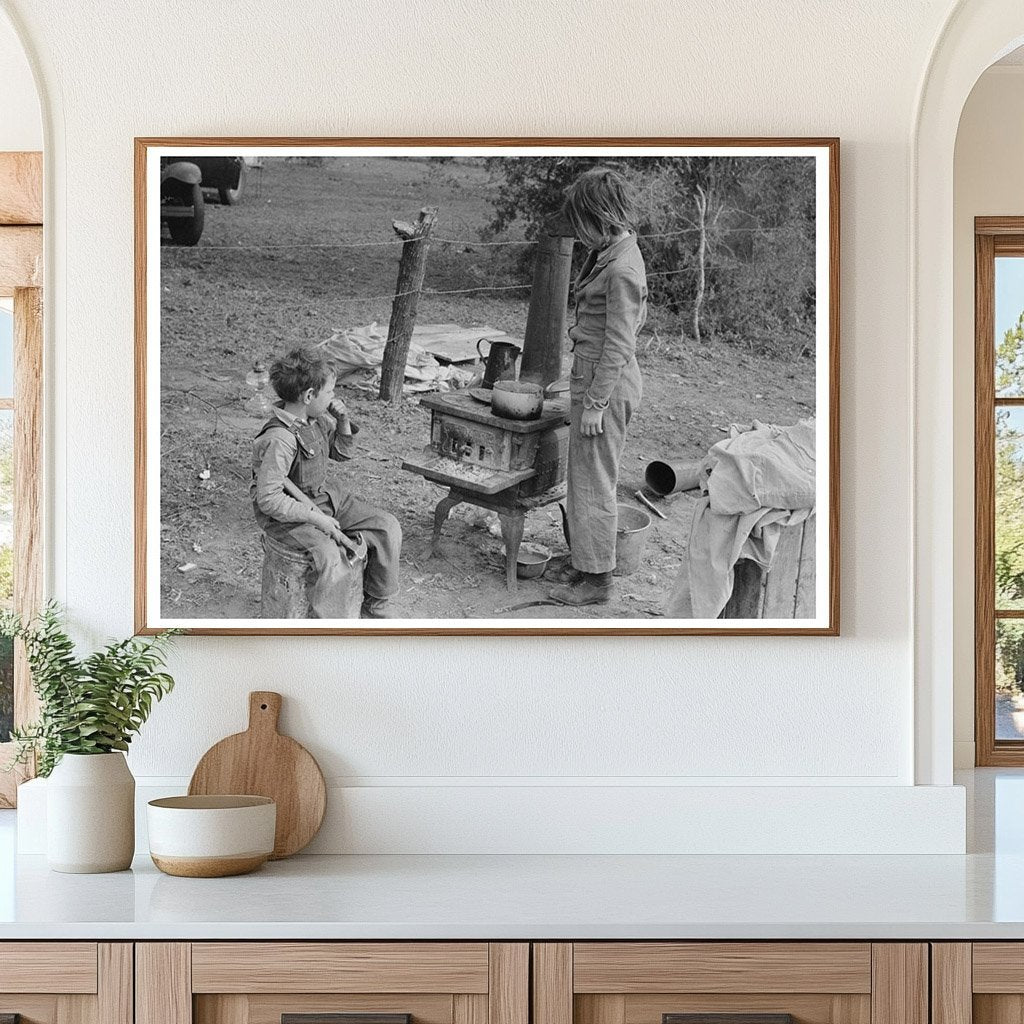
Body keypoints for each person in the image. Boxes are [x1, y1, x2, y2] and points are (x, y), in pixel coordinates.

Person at [550, 167, 648, 607]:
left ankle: (597, 582)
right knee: (585, 479)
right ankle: (584, 562)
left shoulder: (623, 268)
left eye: (583, 223)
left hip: (603, 383)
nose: (580, 232)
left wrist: (594, 403)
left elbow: (619, 345)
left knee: (595, 482)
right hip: (592, 375)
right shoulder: (612, 251)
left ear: (601, 216)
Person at [251, 346, 402, 618]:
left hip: (324, 500)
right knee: (334, 559)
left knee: (386, 527)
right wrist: (317, 520)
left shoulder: (316, 419)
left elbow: (341, 454)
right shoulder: (281, 439)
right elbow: (269, 499)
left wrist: (343, 421)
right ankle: (328, 626)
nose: (334, 397)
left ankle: (375, 606)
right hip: (289, 518)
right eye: (330, 391)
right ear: (309, 395)